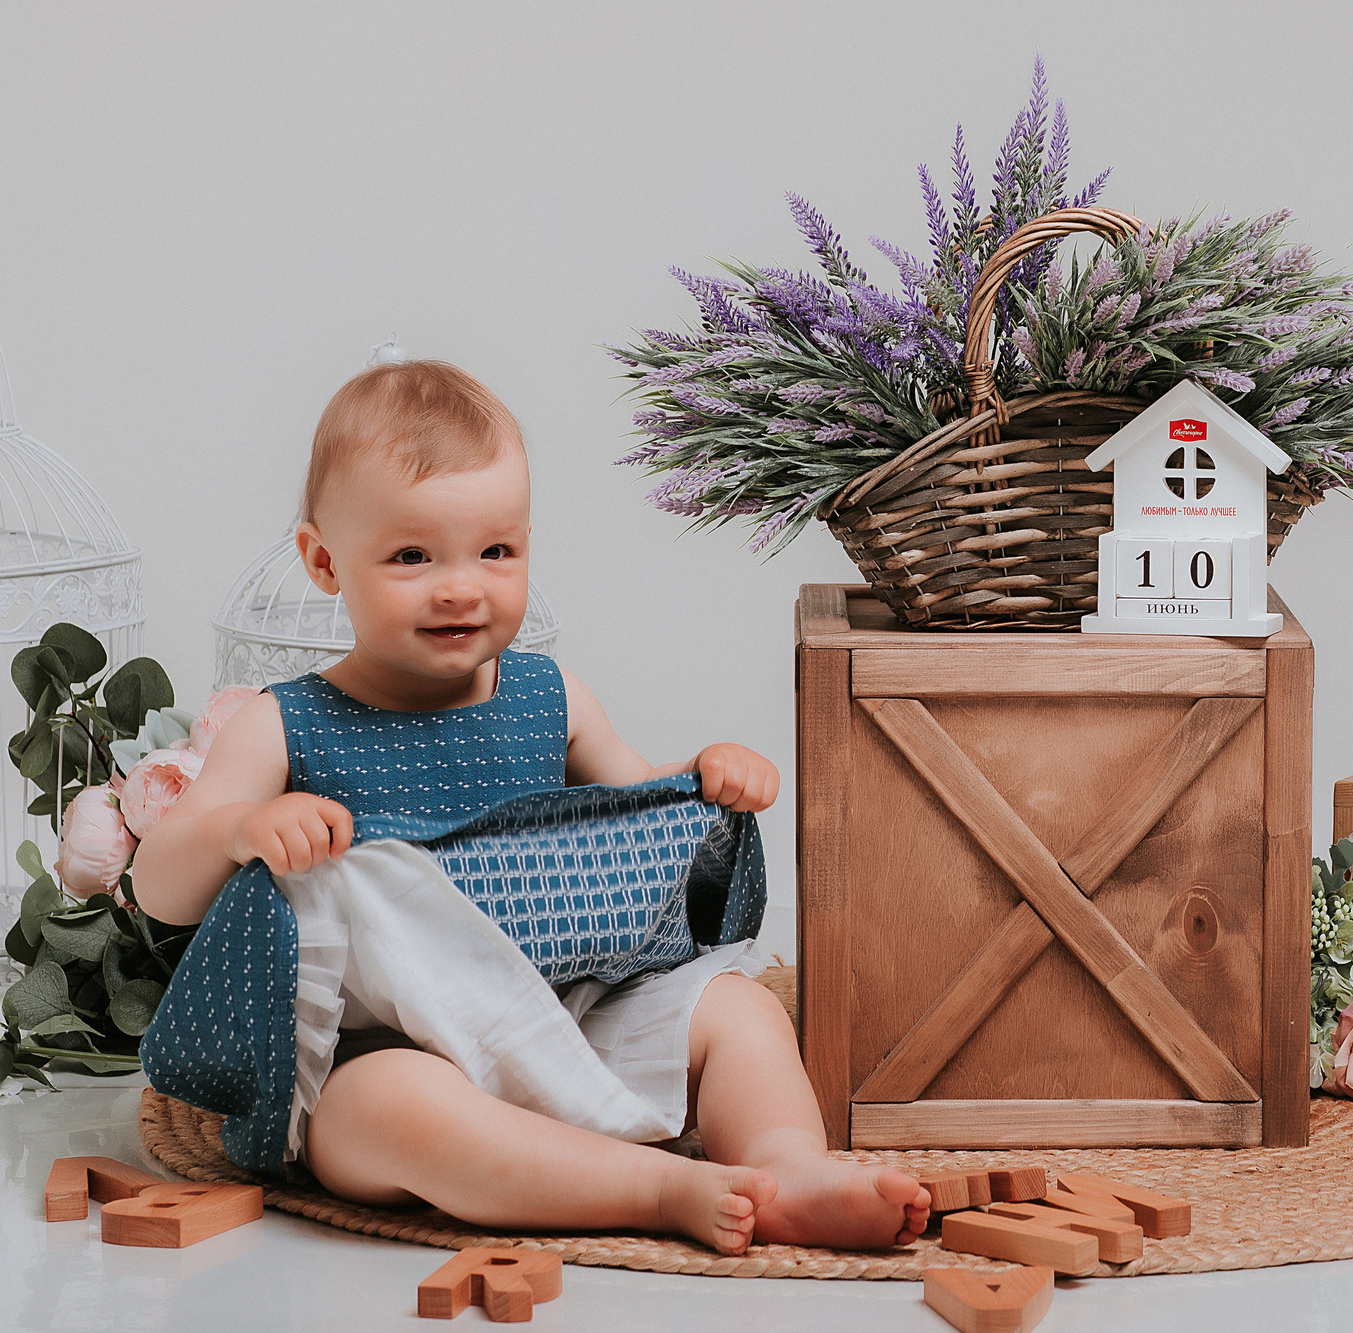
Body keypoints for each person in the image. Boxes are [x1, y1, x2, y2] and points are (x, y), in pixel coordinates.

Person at [132, 359, 927, 1254]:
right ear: (324, 560)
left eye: (495, 551)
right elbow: (155, 881)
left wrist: (703, 772)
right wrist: (239, 830)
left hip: (570, 1015)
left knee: (739, 1010)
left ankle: (790, 1163)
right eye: (411, 556)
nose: (461, 585)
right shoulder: (285, 724)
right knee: (387, 1110)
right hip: (396, 1051)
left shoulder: (553, 698)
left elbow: (636, 816)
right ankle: (658, 1186)